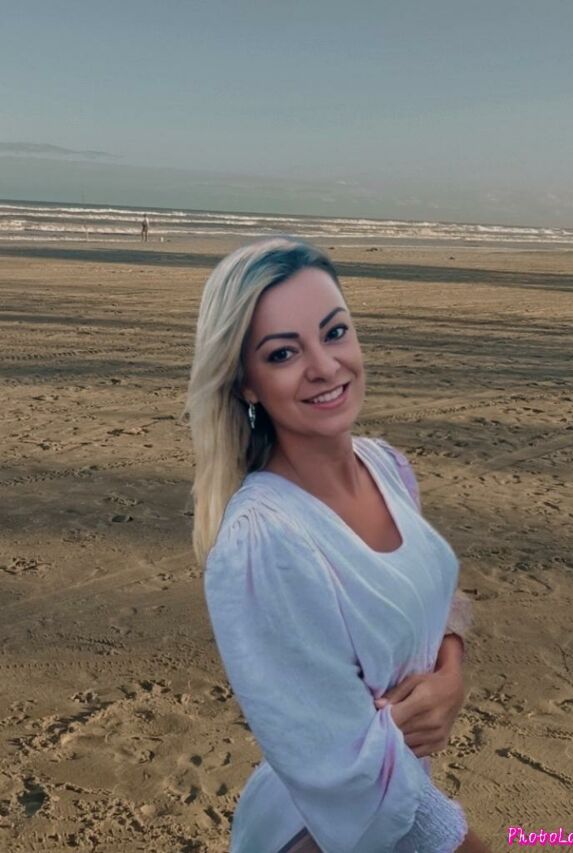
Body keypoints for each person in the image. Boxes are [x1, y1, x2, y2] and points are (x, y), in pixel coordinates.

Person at [184, 236, 490, 852]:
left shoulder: (389, 467)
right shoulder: (263, 540)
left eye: (335, 332)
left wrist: (450, 673)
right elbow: (347, 770)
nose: (324, 366)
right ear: (245, 383)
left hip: (401, 805)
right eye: (283, 353)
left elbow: (432, 592)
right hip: (326, 833)